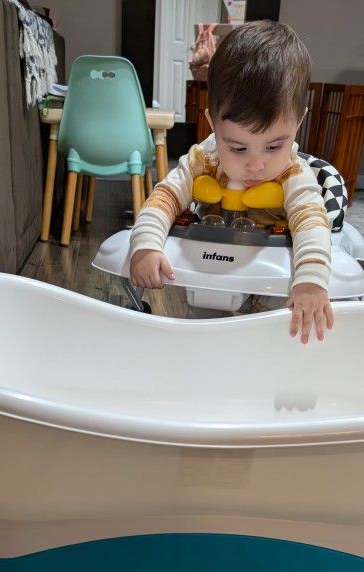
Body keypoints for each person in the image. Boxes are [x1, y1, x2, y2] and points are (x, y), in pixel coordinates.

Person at [129, 20, 334, 343]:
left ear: (298, 123)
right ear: (212, 124)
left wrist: (310, 281)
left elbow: (311, 222)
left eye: (274, 146)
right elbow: (164, 197)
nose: (256, 164)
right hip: (213, 271)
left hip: (272, 276)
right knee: (203, 330)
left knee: (276, 329)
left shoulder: (292, 173)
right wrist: (145, 245)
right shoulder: (205, 159)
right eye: (237, 148)